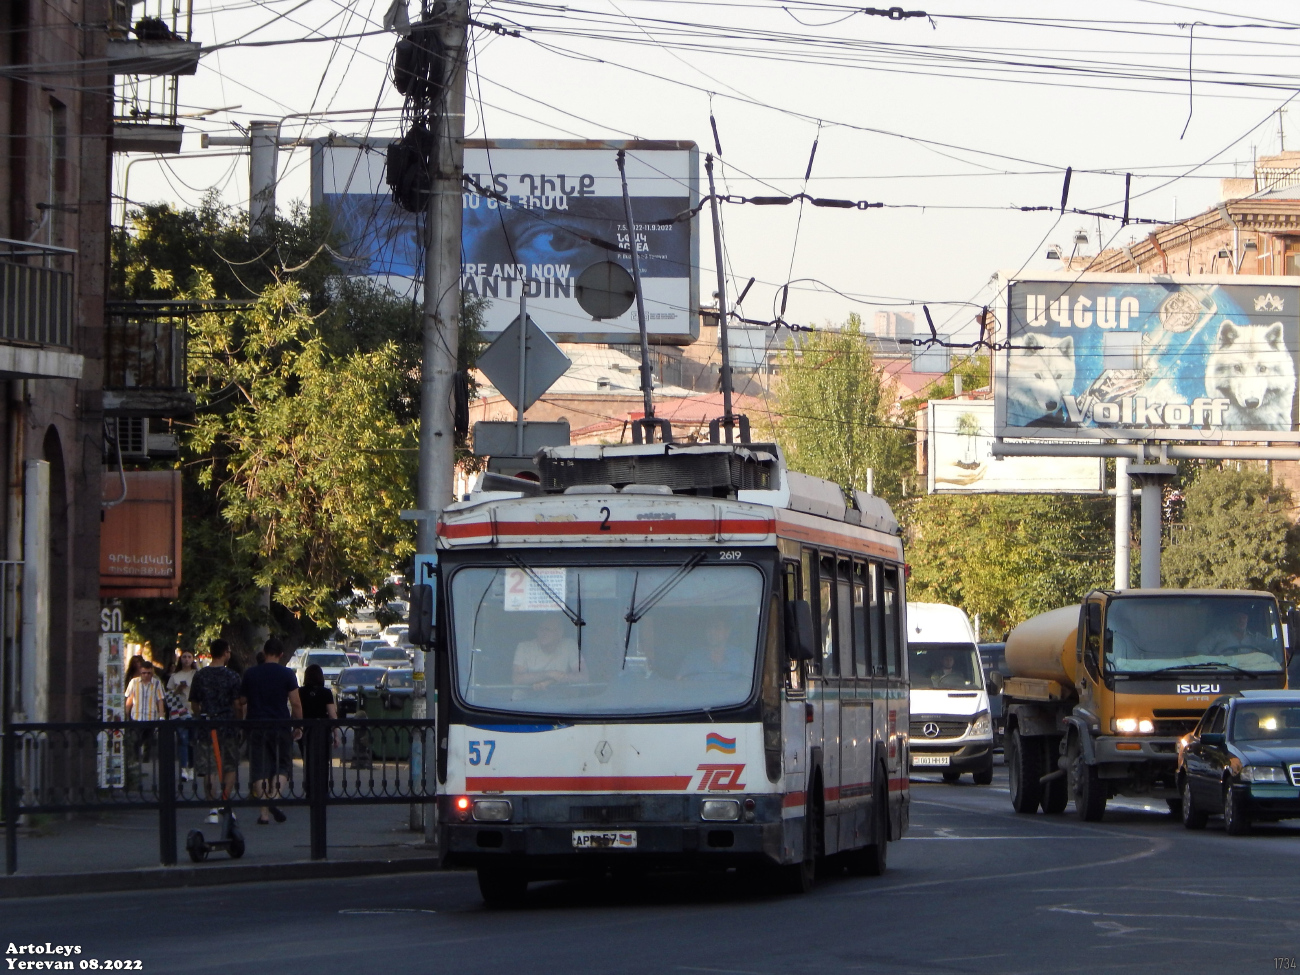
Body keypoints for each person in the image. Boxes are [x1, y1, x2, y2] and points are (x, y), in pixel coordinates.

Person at [238, 637, 302, 825]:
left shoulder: (251, 673)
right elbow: (296, 703)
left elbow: (241, 700)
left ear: (264, 653)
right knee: (282, 765)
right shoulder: (287, 674)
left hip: (256, 724)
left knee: (259, 767)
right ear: (281, 655)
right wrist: (299, 725)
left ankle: (264, 813)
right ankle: (274, 798)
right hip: (280, 724)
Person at [189, 639, 243, 824]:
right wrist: (238, 721)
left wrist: (200, 716)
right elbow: (237, 704)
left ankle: (212, 808)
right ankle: (225, 802)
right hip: (227, 725)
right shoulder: (232, 676)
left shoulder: (200, 676)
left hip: (207, 725)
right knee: (230, 765)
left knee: (210, 767)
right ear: (226, 653)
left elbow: (194, 703)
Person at [298, 664, 339, 798]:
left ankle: (309, 790)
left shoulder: (300, 692)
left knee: (308, 761)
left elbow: (296, 712)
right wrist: (336, 734)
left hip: (305, 730)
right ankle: (323, 791)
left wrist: (296, 728)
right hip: (322, 731)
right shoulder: (326, 692)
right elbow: (332, 715)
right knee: (323, 761)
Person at [512, 614, 582, 689]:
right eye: (541, 629)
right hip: (525, 699)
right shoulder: (524, 647)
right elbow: (517, 679)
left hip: (562, 699)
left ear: (560, 633)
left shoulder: (569, 645)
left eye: (548, 629)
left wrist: (552, 681)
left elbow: (583, 676)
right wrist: (549, 674)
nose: (543, 633)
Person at [124, 662, 165, 766]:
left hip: (151, 717)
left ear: (152, 672)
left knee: (149, 741)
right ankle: (136, 760)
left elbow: (160, 700)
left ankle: (146, 762)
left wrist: (161, 717)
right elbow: (129, 698)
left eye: (148, 673)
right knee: (135, 740)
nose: (146, 675)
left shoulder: (156, 683)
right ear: (140, 672)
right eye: (144, 673)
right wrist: (126, 713)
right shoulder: (134, 682)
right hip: (136, 716)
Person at [678, 620, 747, 680]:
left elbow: (750, 684)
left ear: (727, 632)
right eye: (709, 628)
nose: (712, 632)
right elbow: (680, 684)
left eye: (717, 628)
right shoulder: (692, 658)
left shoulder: (742, 658)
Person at [167, 650, 199, 779]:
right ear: (180, 659)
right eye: (184, 657)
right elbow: (169, 695)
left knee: (193, 740)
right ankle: (184, 768)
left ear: (192, 659)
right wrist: (178, 689)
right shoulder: (175, 676)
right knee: (183, 740)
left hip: (194, 711)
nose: (186, 659)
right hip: (180, 712)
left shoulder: (196, 674)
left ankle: (191, 766)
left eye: (189, 657)